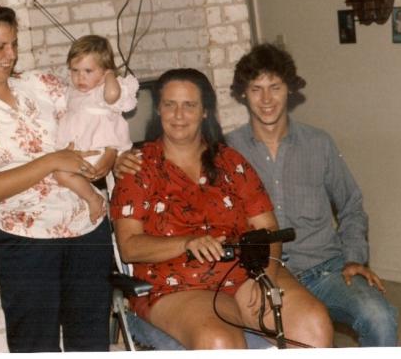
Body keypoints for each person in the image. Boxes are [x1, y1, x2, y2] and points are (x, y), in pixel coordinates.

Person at [110, 68, 333, 350]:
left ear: (205, 111)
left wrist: (266, 274)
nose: (178, 115)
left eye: (189, 105)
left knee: (314, 325)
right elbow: (129, 246)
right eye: (170, 104)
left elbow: (268, 229)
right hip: (178, 283)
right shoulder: (138, 167)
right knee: (220, 341)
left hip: (246, 273)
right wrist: (187, 243)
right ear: (158, 110)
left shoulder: (231, 161)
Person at [0, 0, 114, 352]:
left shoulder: (41, 84)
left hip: (88, 230)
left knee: (92, 342)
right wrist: (50, 161)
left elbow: (98, 114)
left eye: (14, 44)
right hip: (28, 244)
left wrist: (111, 155)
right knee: (35, 346)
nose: (11, 55)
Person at [225, 42, 398, 347]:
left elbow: (351, 205)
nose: (266, 99)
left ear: (290, 89)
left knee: (380, 316)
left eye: (275, 87)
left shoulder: (319, 143)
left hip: (325, 270)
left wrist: (354, 258)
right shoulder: (227, 150)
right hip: (261, 275)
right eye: (256, 89)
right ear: (243, 94)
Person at [55, 35, 138, 224]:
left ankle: (93, 199)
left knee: (62, 173)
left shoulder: (103, 90)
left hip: (97, 149)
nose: (80, 77)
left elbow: (113, 95)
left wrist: (109, 76)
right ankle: (93, 198)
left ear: (104, 71)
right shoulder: (73, 92)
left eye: (88, 71)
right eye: (75, 70)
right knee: (59, 174)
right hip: (79, 150)